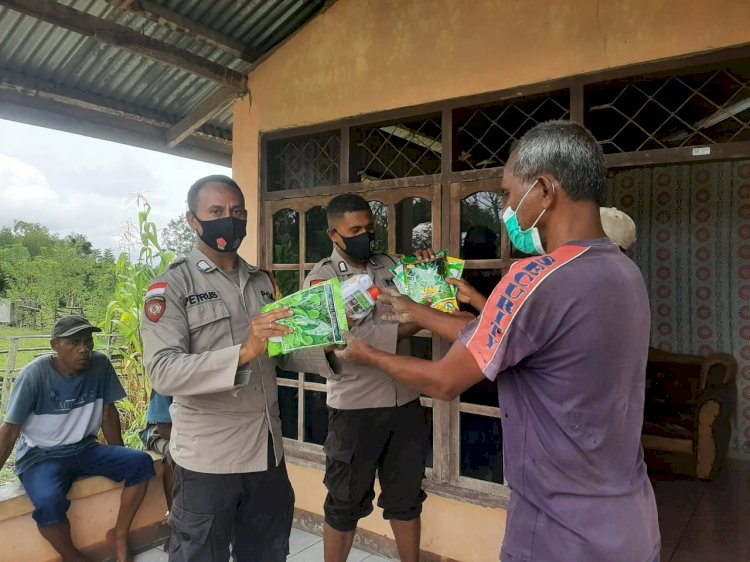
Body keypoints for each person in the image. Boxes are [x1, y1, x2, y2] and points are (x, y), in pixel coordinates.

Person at [340, 121, 661, 562]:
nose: (508, 209)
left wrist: (365, 353)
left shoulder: (533, 276)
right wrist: (419, 311)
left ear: (545, 190)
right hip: (630, 516)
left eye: (510, 194)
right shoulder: (624, 273)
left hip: (558, 528)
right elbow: (501, 336)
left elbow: (442, 382)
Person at [140, 175, 296, 562]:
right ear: (193, 221)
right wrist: (242, 353)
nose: (230, 219)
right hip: (209, 463)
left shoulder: (263, 281)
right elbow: (163, 372)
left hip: (267, 456)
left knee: (267, 555)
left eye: (237, 211)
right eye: (216, 212)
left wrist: (333, 348)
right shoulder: (172, 286)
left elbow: (280, 348)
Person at [291, 194, 430, 562]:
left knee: (407, 499)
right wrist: (419, 321)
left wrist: (431, 273)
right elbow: (346, 343)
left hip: (405, 403)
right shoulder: (321, 279)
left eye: (369, 228)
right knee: (343, 502)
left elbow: (429, 297)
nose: (365, 237)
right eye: (355, 230)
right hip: (355, 409)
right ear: (334, 234)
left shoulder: (391, 265)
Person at [0, 315, 155, 562]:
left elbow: (107, 412)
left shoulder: (100, 365)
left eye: (88, 341)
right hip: (41, 456)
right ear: (55, 345)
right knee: (48, 504)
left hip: (86, 449)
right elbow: (9, 431)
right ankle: (74, 557)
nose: (84, 348)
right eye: (74, 342)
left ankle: (119, 534)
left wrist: (120, 455)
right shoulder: (34, 376)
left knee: (141, 463)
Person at [139, 391, 174, 513]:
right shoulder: (166, 379)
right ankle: (174, 515)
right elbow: (164, 430)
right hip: (162, 431)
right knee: (174, 453)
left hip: (195, 432)